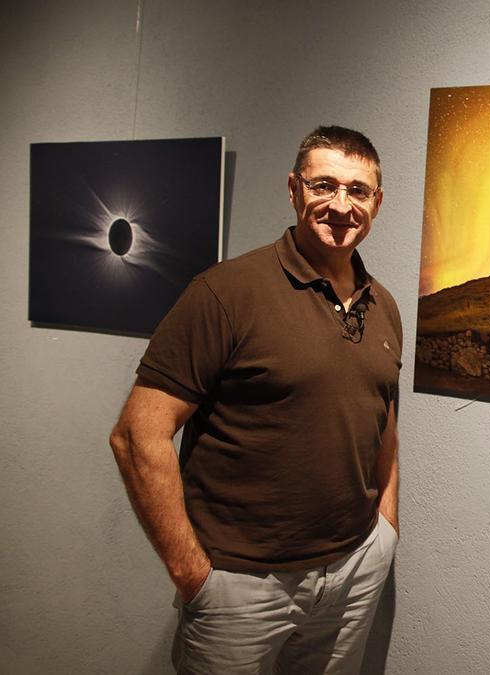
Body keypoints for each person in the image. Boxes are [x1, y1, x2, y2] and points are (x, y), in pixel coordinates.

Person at [109, 125, 403, 674]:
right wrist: (192, 574)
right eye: (324, 186)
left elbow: (383, 421)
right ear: (294, 189)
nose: (341, 205)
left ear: (377, 203)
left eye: (357, 191)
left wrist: (384, 527)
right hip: (241, 586)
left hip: (354, 570)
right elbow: (135, 435)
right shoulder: (224, 293)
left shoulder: (382, 304)